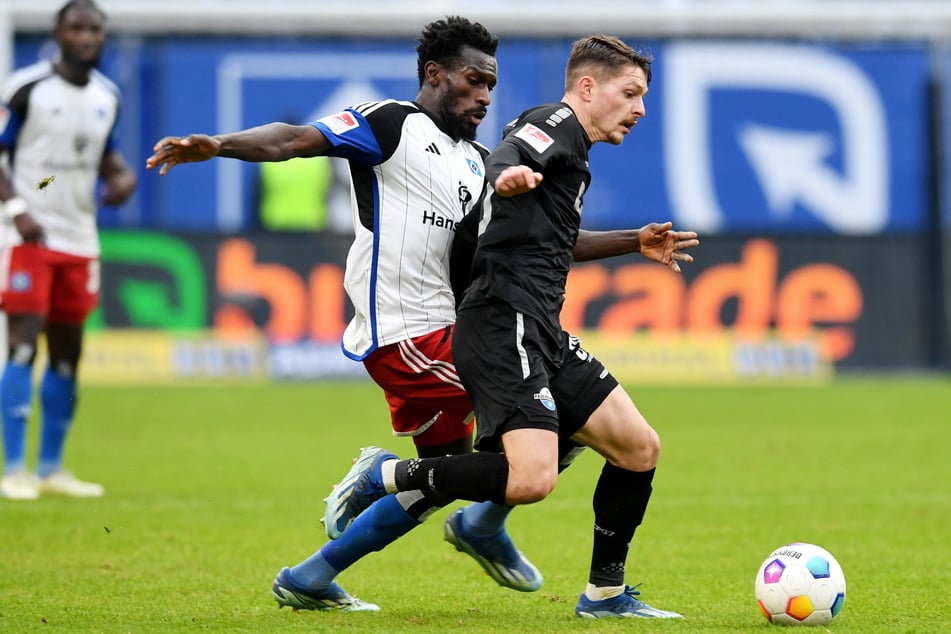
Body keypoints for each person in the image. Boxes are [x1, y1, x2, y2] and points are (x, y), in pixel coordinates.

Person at [147, 18, 697, 613]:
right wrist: (220, 146)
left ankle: (312, 575)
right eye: (473, 80)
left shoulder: (475, 159)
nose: (485, 95)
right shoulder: (392, 124)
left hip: (462, 327)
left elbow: (542, 237)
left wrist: (629, 240)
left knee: (454, 471)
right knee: (540, 435)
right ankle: (467, 514)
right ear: (435, 75)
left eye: (491, 83)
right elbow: (293, 138)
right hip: (409, 333)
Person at [324, 35, 687, 619]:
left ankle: (604, 595)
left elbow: (515, 237)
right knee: (530, 477)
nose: (640, 108)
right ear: (588, 88)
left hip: (539, 325)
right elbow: (510, 153)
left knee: (638, 447)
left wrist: (633, 241)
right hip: (506, 324)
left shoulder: (574, 152)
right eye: (632, 93)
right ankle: (388, 475)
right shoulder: (555, 122)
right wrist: (509, 173)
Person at [0, 0, 137, 500]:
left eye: (94, 30)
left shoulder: (107, 96)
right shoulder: (26, 88)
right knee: (22, 340)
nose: (86, 37)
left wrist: (121, 176)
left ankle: (52, 467)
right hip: (27, 234)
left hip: (81, 237)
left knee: (67, 351)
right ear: (58, 34)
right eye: (76, 28)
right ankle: (14, 468)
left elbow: (100, 155)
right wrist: (17, 205)